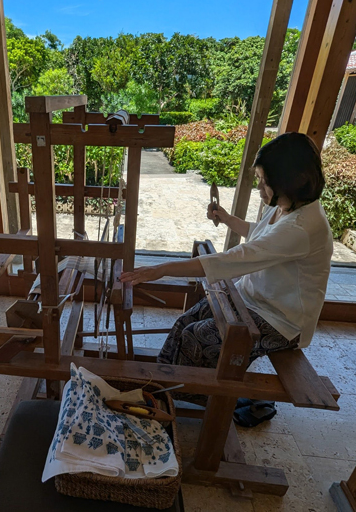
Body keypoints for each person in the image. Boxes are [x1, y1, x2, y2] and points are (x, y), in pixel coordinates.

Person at [120, 132, 333, 427]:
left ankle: (204, 400)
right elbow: (259, 233)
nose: (260, 187)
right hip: (252, 301)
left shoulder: (302, 227)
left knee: (198, 336)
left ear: (291, 180)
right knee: (185, 324)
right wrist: (226, 217)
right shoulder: (288, 208)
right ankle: (161, 390)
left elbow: (237, 258)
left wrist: (163, 269)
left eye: (264, 180)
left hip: (281, 321)